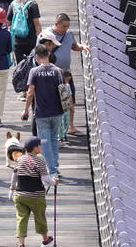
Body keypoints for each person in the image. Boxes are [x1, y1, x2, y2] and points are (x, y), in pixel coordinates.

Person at [39, 13, 90, 136]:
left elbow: (73, 46)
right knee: (54, 101)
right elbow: (38, 52)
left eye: (67, 26)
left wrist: (82, 46)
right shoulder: (46, 35)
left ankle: (70, 126)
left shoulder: (69, 34)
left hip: (66, 73)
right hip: (51, 73)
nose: (66, 29)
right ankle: (55, 130)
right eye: (63, 26)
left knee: (70, 100)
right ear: (56, 24)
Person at [20, 45, 64, 178]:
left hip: (42, 112)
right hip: (57, 111)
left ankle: (52, 171)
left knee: (44, 142)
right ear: (49, 54)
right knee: (53, 139)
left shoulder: (34, 71)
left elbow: (30, 93)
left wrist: (25, 110)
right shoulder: (58, 71)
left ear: (37, 57)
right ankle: (55, 166)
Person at [10, 136, 58, 247]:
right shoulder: (40, 160)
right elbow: (45, 178)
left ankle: (21, 244)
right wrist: (54, 182)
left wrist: (12, 187)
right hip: (36, 196)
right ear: (34, 148)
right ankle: (45, 240)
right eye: (39, 145)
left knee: (21, 218)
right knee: (40, 217)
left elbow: (14, 175)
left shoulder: (20, 159)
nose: (41, 147)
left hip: (20, 195)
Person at [6, 0, 42, 66]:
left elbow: (8, 22)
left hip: (17, 41)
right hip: (30, 41)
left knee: (20, 67)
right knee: (32, 66)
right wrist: (40, 40)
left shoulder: (13, 3)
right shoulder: (32, 4)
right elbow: (36, 24)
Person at [58, 70, 73, 145]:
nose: (67, 81)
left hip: (66, 106)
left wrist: (71, 105)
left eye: (69, 80)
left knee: (67, 121)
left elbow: (70, 95)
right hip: (60, 106)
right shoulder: (58, 86)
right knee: (61, 122)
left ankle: (64, 133)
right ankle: (61, 136)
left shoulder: (68, 86)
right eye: (66, 79)